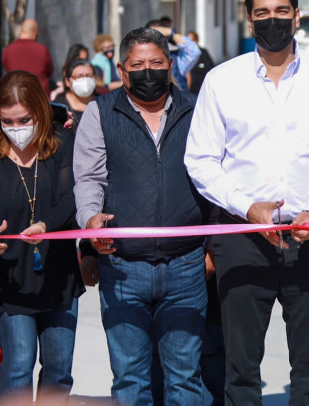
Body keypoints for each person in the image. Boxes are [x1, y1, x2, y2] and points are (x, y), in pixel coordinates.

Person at [184, 0, 309, 406]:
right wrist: (247, 208)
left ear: (297, 16)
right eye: (262, 13)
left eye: (282, 11)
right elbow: (201, 159)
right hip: (242, 240)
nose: (273, 21)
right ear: (249, 21)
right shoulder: (222, 80)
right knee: (240, 370)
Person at [74, 27, 209, 405]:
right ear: (121, 69)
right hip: (122, 268)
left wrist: (212, 246)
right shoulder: (100, 113)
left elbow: (213, 180)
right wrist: (90, 221)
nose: (147, 72)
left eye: (156, 63)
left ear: (170, 66)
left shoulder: (197, 109)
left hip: (186, 265)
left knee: (185, 380)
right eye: (137, 65)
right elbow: (88, 179)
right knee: (130, 381)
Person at [0, 71, 84, 401]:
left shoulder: (62, 144)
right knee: (18, 362)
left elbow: (72, 197)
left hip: (58, 277)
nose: (16, 128)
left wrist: (47, 225)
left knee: (58, 369)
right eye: (7, 121)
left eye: (24, 119)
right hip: (8, 280)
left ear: (40, 114)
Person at [145, 20, 201, 92]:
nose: (155, 40)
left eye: (159, 35)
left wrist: (171, 33)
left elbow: (194, 51)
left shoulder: (177, 57)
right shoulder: (139, 56)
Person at [2, 19, 54, 92]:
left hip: (15, 95)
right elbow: (50, 72)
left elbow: (7, 69)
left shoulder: (8, 50)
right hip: (38, 95)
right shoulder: (42, 50)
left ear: (21, 31)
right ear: (35, 32)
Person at [53, 59, 98, 124]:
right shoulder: (58, 108)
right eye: (79, 76)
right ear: (67, 81)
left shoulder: (104, 102)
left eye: (89, 76)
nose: (85, 80)